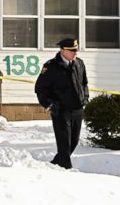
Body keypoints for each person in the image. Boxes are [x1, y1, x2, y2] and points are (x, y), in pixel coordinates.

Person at [35, 38, 90, 169]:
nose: (75, 53)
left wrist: (85, 98)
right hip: (61, 110)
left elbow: (84, 84)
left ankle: (54, 165)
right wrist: (49, 104)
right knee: (64, 142)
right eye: (72, 50)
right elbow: (40, 88)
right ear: (63, 50)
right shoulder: (51, 66)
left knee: (74, 142)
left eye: (76, 50)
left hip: (77, 109)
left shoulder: (79, 64)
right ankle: (66, 170)